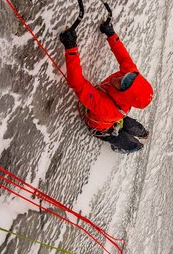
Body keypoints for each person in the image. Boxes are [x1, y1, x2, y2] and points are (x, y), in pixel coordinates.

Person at [59, 17, 153, 154]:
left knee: (117, 137)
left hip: (101, 125)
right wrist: (111, 34)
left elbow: (77, 83)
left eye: (122, 83)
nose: (120, 77)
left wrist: (71, 47)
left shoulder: (107, 109)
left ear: (124, 94)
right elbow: (123, 56)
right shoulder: (131, 76)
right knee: (126, 123)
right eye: (126, 76)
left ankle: (134, 146)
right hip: (117, 113)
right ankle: (142, 133)